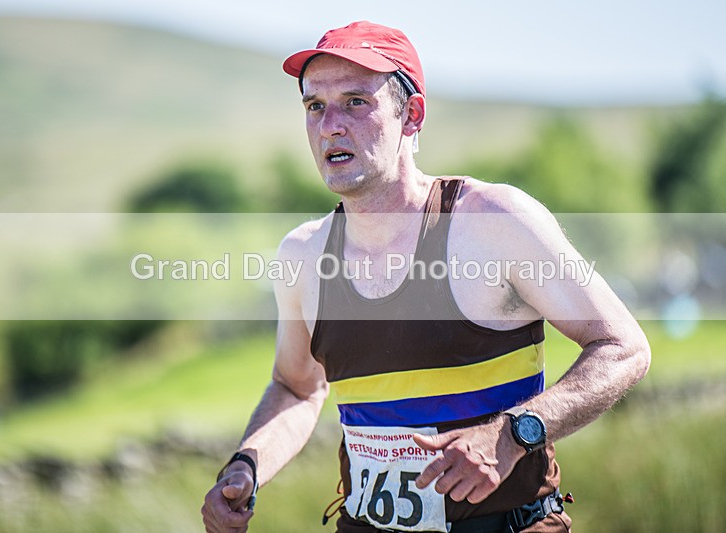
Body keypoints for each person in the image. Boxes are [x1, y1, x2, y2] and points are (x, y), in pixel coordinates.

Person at [201, 21, 651, 533]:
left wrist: (513, 434)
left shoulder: (491, 222)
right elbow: (297, 387)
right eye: (314, 106)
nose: (329, 125)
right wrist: (247, 465)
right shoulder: (303, 254)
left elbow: (624, 347)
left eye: (354, 101)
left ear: (411, 115)